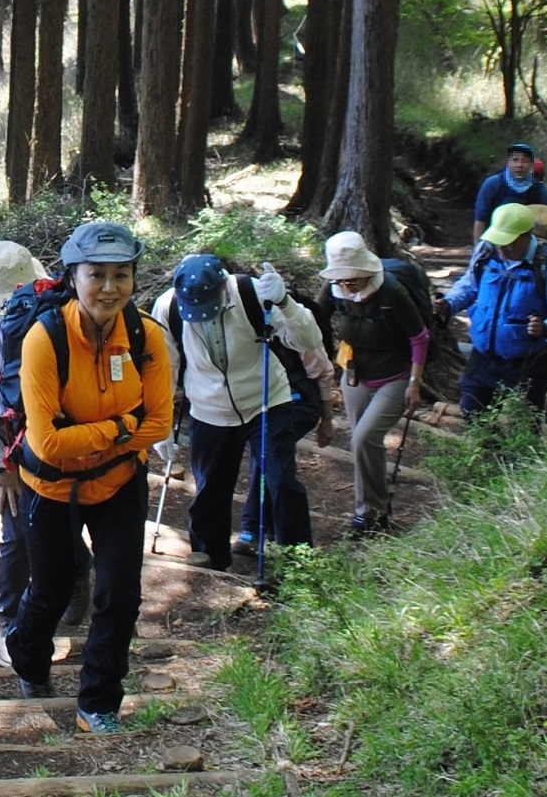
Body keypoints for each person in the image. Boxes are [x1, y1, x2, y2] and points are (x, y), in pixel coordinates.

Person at [5, 221, 173, 735]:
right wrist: (124, 426)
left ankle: (98, 702)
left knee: (120, 594)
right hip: (50, 488)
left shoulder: (146, 336)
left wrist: (107, 436)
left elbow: (161, 423)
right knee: (52, 588)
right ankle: (27, 657)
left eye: (120, 275)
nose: (109, 287)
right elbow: (47, 442)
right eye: (96, 274)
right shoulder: (45, 339)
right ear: (72, 278)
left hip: (120, 482)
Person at [0, 241, 90, 668]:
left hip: (60, 432)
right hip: (7, 437)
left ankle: (78, 573)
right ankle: (10, 623)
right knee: (17, 534)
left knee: (63, 520)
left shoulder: (57, 313)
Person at [150, 254, 317, 572]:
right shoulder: (168, 307)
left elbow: (308, 339)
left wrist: (284, 302)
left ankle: (299, 562)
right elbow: (165, 369)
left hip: (267, 400)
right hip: (209, 409)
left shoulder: (254, 293)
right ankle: (210, 561)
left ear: (223, 285)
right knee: (210, 487)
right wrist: (163, 426)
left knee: (281, 480)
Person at [318, 232, 429, 536]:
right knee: (364, 445)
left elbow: (419, 337)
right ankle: (371, 513)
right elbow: (316, 320)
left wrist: (414, 383)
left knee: (363, 439)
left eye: (350, 279)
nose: (344, 285)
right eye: (339, 279)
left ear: (366, 271)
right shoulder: (334, 290)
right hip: (355, 372)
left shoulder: (392, 292)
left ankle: (369, 511)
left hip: (395, 376)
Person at [433, 203, 547, 418]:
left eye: (508, 244)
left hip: (528, 362)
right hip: (483, 356)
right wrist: (449, 303)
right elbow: (470, 285)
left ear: (526, 237)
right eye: (498, 242)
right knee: (473, 412)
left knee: (523, 426)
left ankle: (515, 453)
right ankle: (492, 452)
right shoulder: (486, 252)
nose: (502, 249)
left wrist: (545, 328)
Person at [233, 306, 335, 557]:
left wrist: (327, 420)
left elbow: (323, 372)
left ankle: (288, 543)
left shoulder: (297, 329)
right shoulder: (241, 330)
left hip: (300, 402)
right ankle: (268, 532)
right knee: (266, 456)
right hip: (264, 404)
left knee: (271, 453)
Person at [473, 142, 547, 244]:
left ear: (531, 165)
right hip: (495, 243)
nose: (519, 165)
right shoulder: (492, 184)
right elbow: (480, 220)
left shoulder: (539, 189)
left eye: (524, 161)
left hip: (527, 244)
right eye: (515, 160)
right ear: (508, 163)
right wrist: (479, 250)